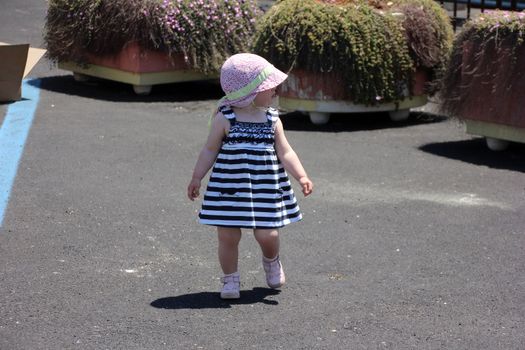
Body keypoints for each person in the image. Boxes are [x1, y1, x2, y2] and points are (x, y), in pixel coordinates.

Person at [187, 53, 313, 299]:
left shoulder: (272, 120)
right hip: (229, 187)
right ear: (250, 92)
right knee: (227, 235)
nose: (275, 92)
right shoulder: (225, 119)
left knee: (269, 233)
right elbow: (209, 150)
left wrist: (302, 176)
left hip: (265, 187)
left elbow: (285, 151)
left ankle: (271, 260)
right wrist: (196, 177)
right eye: (269, 88)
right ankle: (230, 280)